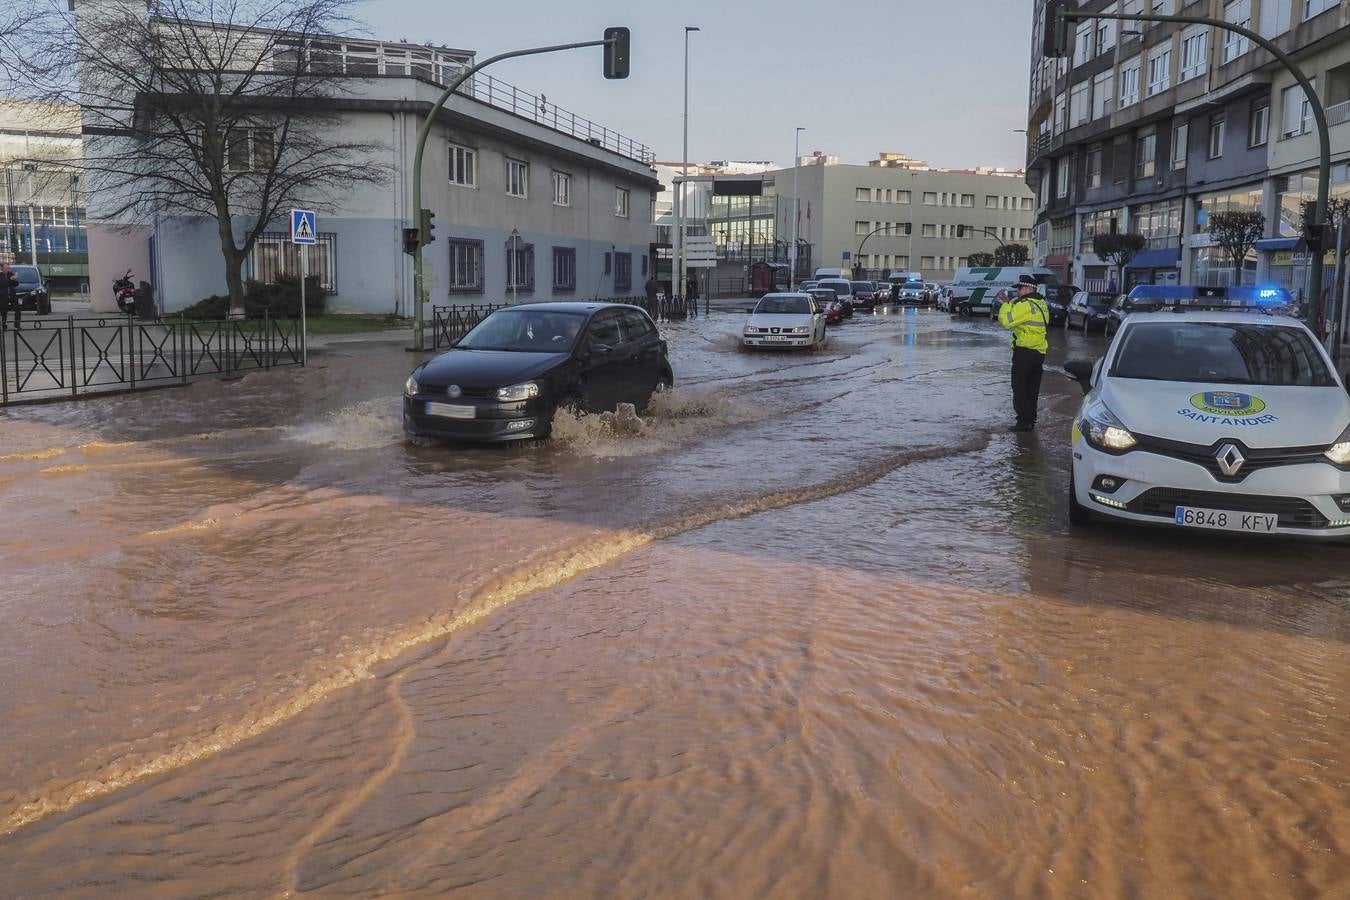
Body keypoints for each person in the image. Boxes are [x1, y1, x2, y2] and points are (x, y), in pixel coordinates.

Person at [998, 274, 1051, 433]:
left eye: (1019, 289)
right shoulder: (1041, 304)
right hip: (1039, 352)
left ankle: (1023, 422)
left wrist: (1006, 304)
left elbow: (1007, 321)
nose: (1018, 292)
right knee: (1032, 389)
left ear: (1028, 288)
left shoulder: (1026, 305)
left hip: (1024, 352)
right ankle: (1030, 420)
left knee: (1019, 387)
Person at [0, 263, 19, 330]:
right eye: (6, 268)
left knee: (17, 309)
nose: (7, 269)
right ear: (2, 268)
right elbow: (2, 283)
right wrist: (10, 279)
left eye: (8, 268)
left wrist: (16, 279)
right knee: (4, 311)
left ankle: (17, 325)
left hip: (12, 295)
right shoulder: (1, 275)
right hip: (3, 296)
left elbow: (16, 284)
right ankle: (4, 325)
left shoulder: (10, 274)